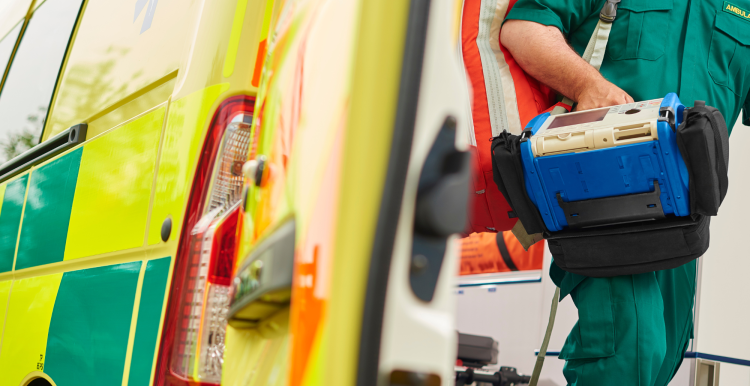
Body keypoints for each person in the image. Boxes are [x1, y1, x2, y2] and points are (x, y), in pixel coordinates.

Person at [500, 0, 747, 384]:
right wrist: (589, 86)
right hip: (599, 194)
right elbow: (523, 29)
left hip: (684, 217)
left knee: (663, 354)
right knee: (629, 348)